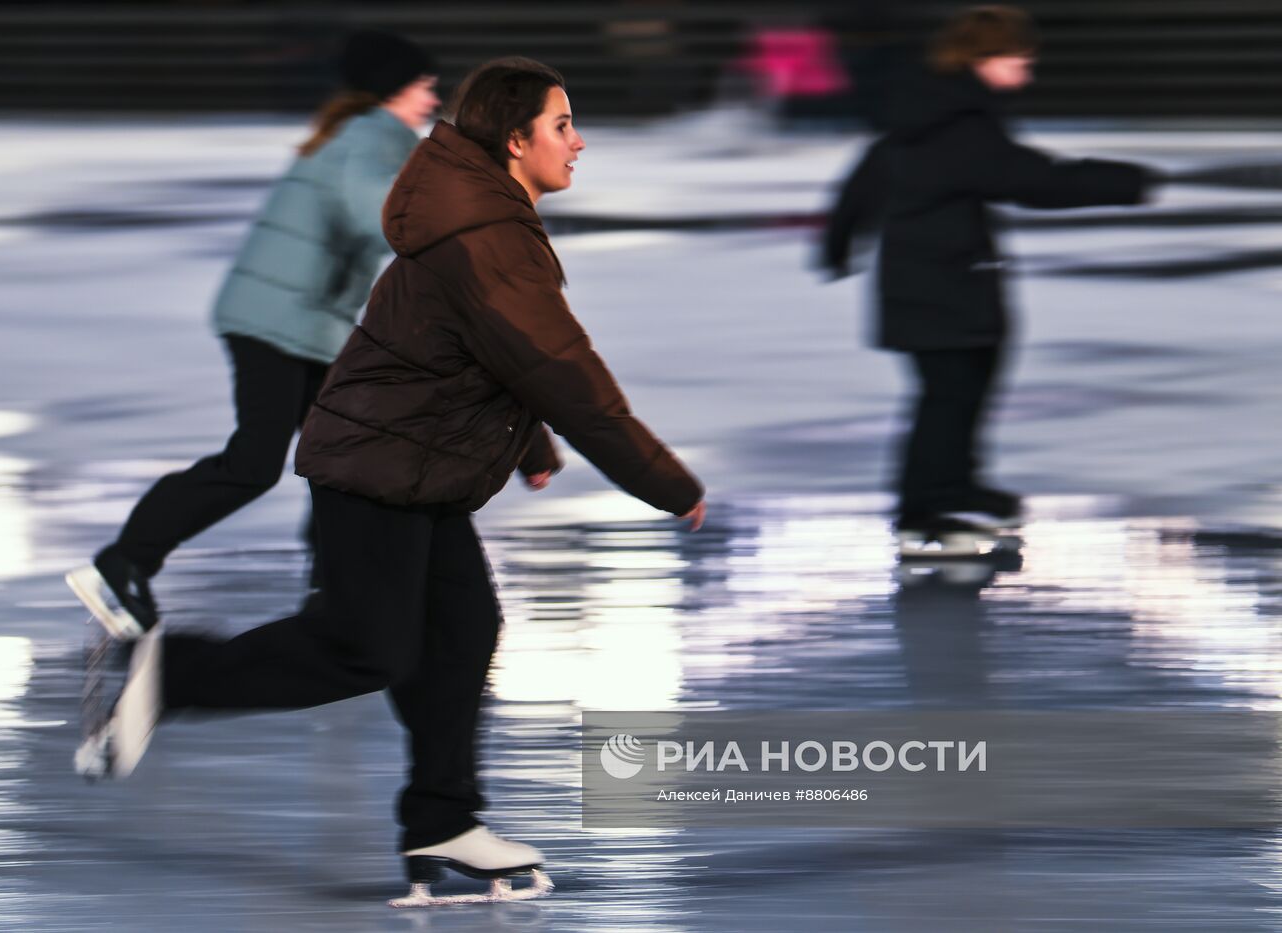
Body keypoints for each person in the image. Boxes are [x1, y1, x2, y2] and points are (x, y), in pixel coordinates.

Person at [78, 57, 706, 908]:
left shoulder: (482, 217)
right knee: (364, 647)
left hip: (417, 465)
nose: (578, 140)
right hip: (378, 467)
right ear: (515, 140)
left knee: (463, 630)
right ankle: (168, 674)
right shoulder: (487, 234)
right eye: (563, 125)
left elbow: (481, 353)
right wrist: (666, 482)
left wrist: (527, 446)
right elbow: (565, 371)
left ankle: (442, 818)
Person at [66, 31, 439, 636]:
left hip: (297, 323)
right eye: (424, 85)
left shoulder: (359, 132)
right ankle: (124, 563)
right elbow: (376, 213)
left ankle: (334, 585)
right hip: (278, 324)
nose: (431, 97)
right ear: (395, 88)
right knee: (258, 463)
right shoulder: (374, 134)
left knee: (344, 452)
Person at [820, 5, 1154, 556]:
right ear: (984, 59)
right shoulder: (958, 125)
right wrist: (1127, 182)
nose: (1026, 73)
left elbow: (865, 179)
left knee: (965, 389)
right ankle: (923, 511)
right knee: (948, 398)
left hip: (937, 284)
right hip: (941, 289)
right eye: (1019, 61)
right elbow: (1034, 180)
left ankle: (956, 485)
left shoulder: (926, 111)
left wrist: (838, 244)